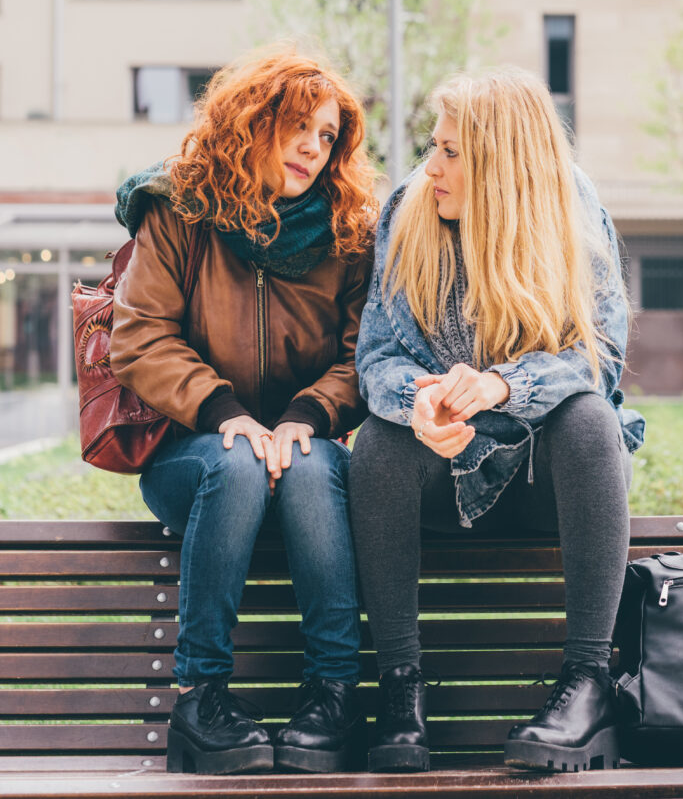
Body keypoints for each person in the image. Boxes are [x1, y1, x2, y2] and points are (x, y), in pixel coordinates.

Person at [350, 68, 645, 774]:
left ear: (503, 165)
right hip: (443, 472)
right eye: (433, 145)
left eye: (452, 153)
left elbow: (598, 357)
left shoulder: (570, 209)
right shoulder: (409, 209)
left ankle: (586, 686)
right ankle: (400, 690)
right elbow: (377, 355)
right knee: (377, 446)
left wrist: (500, 386)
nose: (432, 166)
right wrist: (414, 404)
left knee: (588, 420)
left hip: (550, 478)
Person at [110, 46, 378, 775]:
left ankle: (333, 697)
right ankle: (201, 700)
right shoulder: (178, 213)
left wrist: (306, 415)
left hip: (306, 445)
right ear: (250, 123)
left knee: (308, 465)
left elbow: (364, 352)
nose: (312, 148)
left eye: (328, 137)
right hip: (193, 450)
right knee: (234, 465)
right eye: (297, 125)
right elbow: (139, 338)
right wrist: (224, 411)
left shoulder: (349, 233)